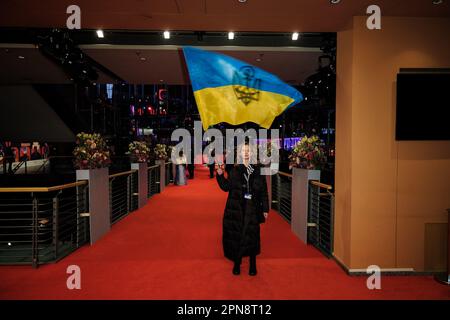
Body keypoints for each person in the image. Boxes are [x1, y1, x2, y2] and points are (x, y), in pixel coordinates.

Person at [216, 143, 269, 276]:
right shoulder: (235, 170)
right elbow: (226, 187)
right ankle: (237, 262)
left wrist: (265, 208)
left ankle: (252, 263)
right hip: (237, 207)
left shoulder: (258, 170)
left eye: (248, 151)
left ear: (252, 153)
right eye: (243, 151)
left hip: (253, 206)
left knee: (252, 235)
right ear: (239, 153)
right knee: (238, 235)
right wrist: (220, 175)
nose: (246, 153)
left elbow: (263, 190)